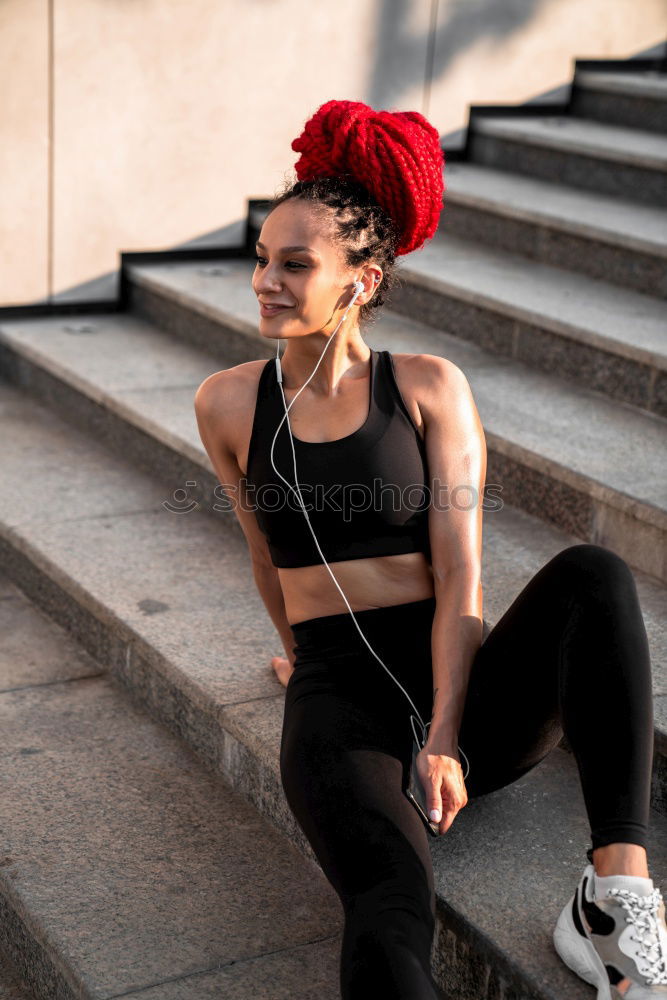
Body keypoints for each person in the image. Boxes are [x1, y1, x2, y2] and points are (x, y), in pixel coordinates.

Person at [194, 99, 667, 999]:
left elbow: (461, 571)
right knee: (387, 903)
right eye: (262, 260)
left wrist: (447, 733)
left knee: (593, 576)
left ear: (359, 282)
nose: (265, 282)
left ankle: (613, 895)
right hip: (341, 700)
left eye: (296, 265)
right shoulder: (225, 403)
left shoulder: (425, 388)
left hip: (466, 689)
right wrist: (302, 661)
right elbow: (267, 558)